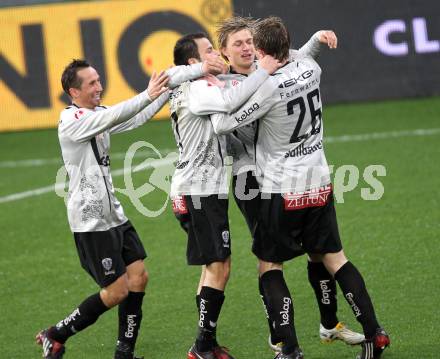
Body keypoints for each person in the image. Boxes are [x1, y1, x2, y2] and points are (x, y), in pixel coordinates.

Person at [210, 17, 390, 359]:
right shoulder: (307, 66)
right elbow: (301, 56)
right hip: (317, 180)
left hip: (279, 186)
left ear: (262, 49)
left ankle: (288, 346)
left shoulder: (263, 87)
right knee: (334, 257)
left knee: (270, 265)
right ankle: (373, 332)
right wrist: (317, 39)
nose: (247, 48)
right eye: (239, 44)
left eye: (251, 42)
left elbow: (223, 121)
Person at [35, 57, 225, 359]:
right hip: (90, 221)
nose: (99, 86)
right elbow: (118, 115)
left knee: (139, 277)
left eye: (99, 79)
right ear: (74, 91)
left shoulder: (98, 114)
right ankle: (55, 335)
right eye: (92, 83)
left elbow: (135, 116)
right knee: (117, 291)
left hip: (114, 215)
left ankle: (124, 352)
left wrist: (166, 89)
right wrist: (149, 93)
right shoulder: (71, 121)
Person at [169, 33, 281, 359]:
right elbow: (229, 105)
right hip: (199, 189)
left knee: (213, 267)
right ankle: (202, 345)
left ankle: (206, 342)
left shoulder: (196, 83)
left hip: (204, 188)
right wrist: (264, 73)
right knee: (219, 266)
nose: (216, 55)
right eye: (208, 52)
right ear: (194, 62)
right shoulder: (198, 87)